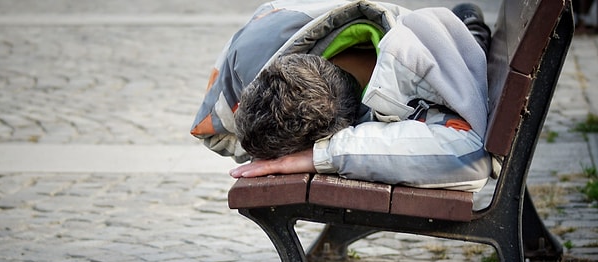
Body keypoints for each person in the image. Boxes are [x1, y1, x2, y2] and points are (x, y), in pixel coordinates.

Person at [191, 1, 493, 192]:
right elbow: (214, 128)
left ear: (338, 131)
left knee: (473, 45)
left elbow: (470, 159)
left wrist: (322, 155)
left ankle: (472, 28)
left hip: (452, 48)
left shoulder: (415, 83)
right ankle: (470, 23)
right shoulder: (272, 59)